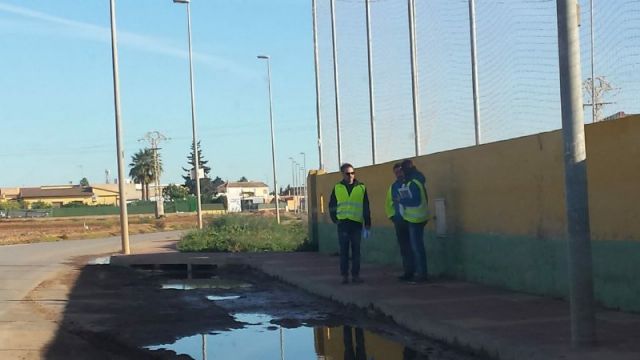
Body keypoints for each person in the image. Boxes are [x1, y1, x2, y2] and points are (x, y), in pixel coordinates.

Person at [329, 163, 371, 284]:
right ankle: (344, 276)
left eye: (353, 173)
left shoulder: (361, 187)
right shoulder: (337, 187)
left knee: (356, 251)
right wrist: (334, 219)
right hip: (343, 224)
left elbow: (366, 206)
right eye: (348, 173)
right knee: (344, 251)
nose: (351, 175)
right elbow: (332, 205)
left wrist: (368, 223)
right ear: (342, 174)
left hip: (356, 224)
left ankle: (355, 275)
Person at [398, 160, 430, 282]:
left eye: (402, 169)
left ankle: (422, 274)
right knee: (416, 247)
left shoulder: (413, 182)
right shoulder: (416, 180)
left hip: (415, 219)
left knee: (417, 248)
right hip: (416, 217)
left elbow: (415, 201)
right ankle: (418, 273)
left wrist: (401, 201)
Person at [385, 163, 415, 281]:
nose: (398, 174)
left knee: (414, 247)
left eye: (400, 171)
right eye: (396, 172)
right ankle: (408, 272)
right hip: (400, 221)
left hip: (412, 219)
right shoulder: (393, 187)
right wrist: (393, 217)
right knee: (404, 248)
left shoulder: (411, 183)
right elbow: (388, 203)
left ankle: (415, 271)